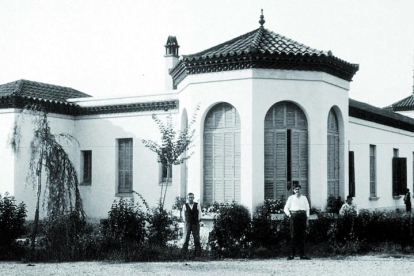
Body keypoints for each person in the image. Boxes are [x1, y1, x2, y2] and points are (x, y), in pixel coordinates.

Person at [284, 184, 311, 260]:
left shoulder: (304, 198)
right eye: (295, 189)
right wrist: (289, 215)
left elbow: (307, 208)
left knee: (302, 235)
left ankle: (302, 255)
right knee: (293, 235)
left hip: (302, 216)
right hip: (294, 216)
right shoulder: (291, 198)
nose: (297, 191)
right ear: (293, 190)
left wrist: (307, 218)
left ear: (301, 190)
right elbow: (286, 208)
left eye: (298, 189)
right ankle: (292, 255)